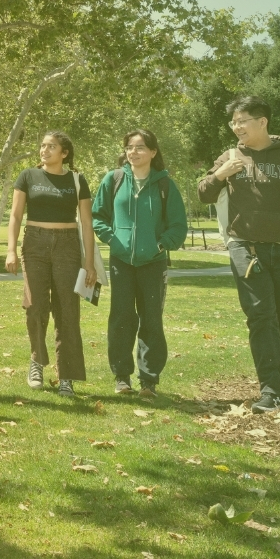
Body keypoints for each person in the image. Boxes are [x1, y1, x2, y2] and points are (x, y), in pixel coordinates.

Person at [197, 95, 280, 413]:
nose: (237, 127)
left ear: (262, 122)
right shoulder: (229, 156)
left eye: (242, 121)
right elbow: (203, 194)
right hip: (246, 248)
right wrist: (220, 174)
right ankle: (271, 390)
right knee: (261, 317)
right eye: (233, 123)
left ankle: (277, 386)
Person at [91, 128, 188, 397]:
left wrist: (160, 244)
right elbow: (97, 216)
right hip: (121, 261)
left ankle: (149, 380)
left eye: (140, 147)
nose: (133, 152)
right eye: (129, 147)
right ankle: (122, 377)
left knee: (152, 320)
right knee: (121, 318)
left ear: (153, 152)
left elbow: (178, 226)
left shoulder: (165, 184)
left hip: (153, 263)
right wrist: (113, 239)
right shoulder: (114, 179)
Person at [5, 132, 98, 397]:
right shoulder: (28, 176)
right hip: (34, 243)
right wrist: (11, 250)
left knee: (68, 310)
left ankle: (66, 374)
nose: (44, 150)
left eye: (51, 146)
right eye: (43, 146)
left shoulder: (77, 181)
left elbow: (87, 224)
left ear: (64, 153)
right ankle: (37, 362)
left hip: (68, 245)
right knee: (35, 306)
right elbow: (14, 216)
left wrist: (88, 263)